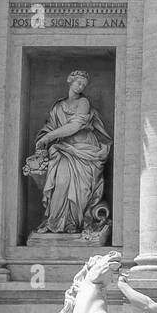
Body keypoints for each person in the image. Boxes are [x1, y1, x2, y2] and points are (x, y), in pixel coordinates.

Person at [33, 71, 111, 234]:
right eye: (78, 83)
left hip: (84, 151)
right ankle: (55, 222)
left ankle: (73, 223)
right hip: (63, 151)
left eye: (83, 84)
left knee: (80, 190)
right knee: (61, 182)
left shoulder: (84, 102)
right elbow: (50, 127)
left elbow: (75, 126)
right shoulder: (58, 107)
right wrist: (45, 139)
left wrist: (48, 137)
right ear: (70, 81)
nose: (81, 86)